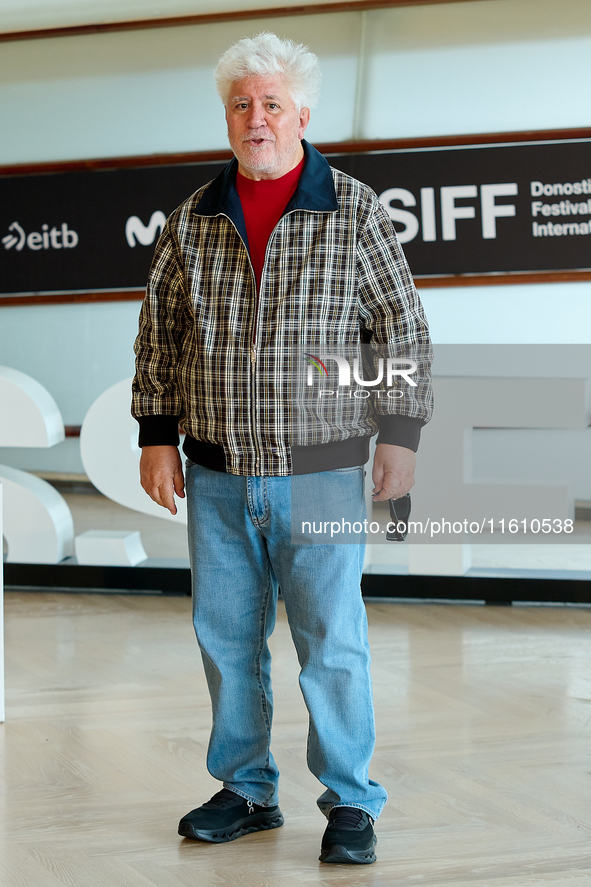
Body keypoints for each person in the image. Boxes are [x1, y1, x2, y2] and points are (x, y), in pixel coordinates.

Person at [132, 32, 432, 865]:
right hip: (218, 471)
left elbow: (397, 326)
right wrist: (158, 436)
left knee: (330, 639)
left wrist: (399, 434)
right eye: (240, 103)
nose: (255, 117)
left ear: (302, 113)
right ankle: (245, 788)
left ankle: (349, 800)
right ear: (225, 117)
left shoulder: (356, 208)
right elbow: (159, 335)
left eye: (270, 103)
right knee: (225, 639)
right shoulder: (192, 218)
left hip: (323, 468)